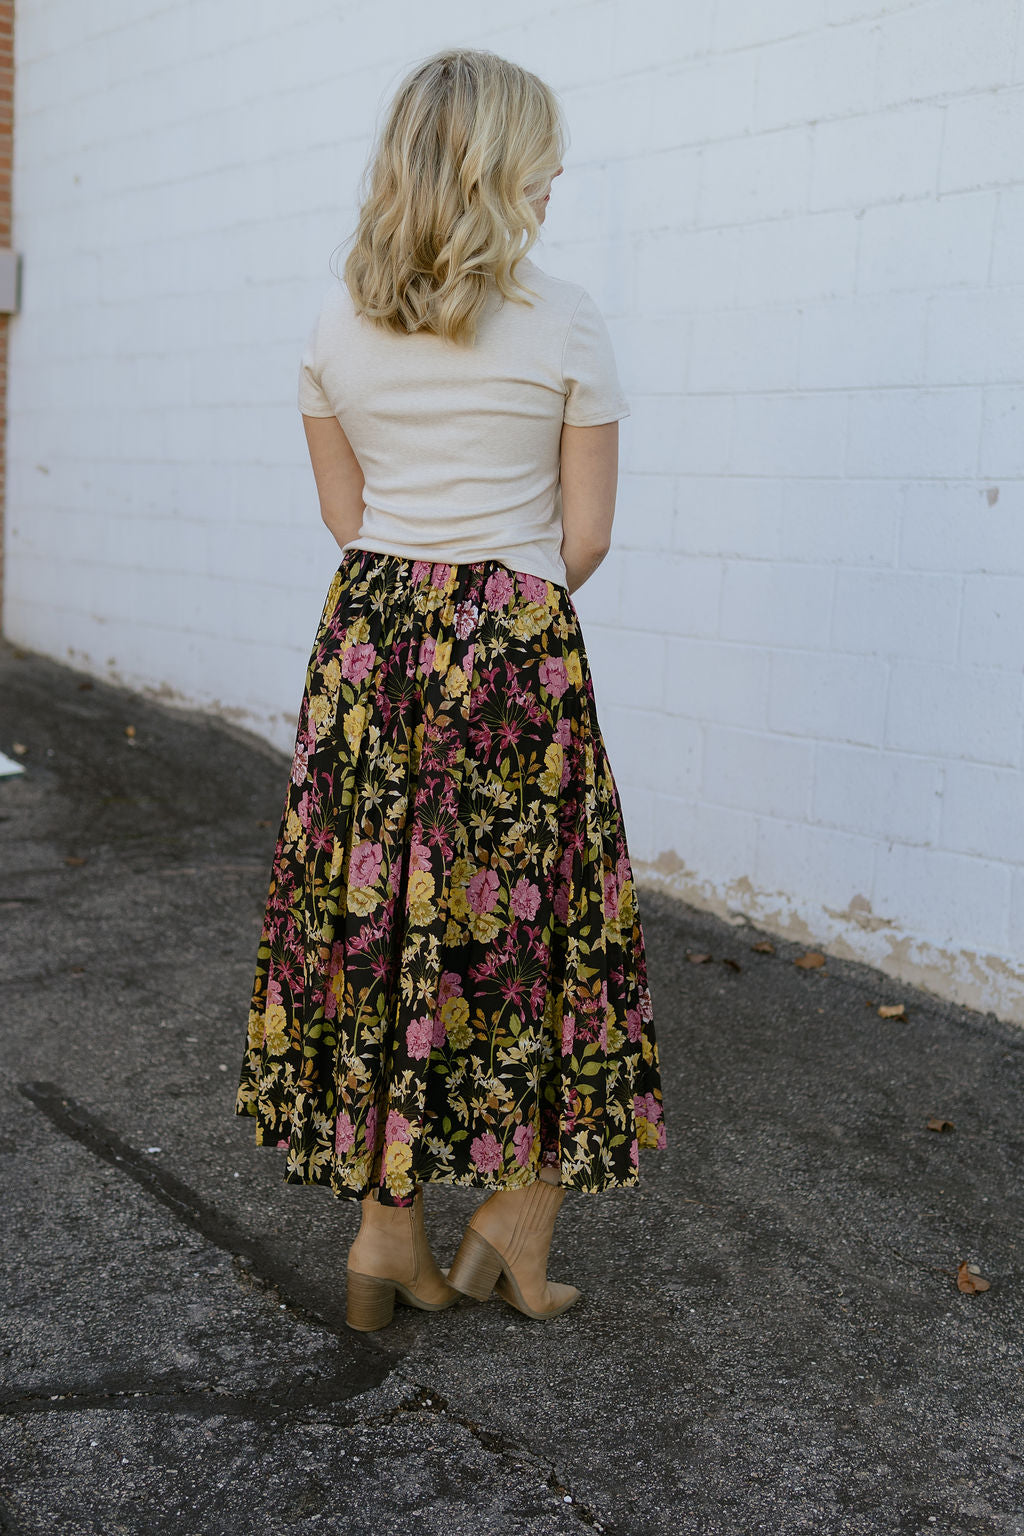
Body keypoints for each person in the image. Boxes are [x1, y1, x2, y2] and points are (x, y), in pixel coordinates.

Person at [234, 46, 666, 1331]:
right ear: (497, 170)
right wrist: (499, 609)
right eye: (543, 165)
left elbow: (347, 516)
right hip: (510, 644)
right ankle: (518, 1211)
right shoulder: (565, 318)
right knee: (533, 931)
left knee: (381, 926)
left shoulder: (334, 321)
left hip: (370, 645)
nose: (553, 185)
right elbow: (584, 537)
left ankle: (387, 1236)